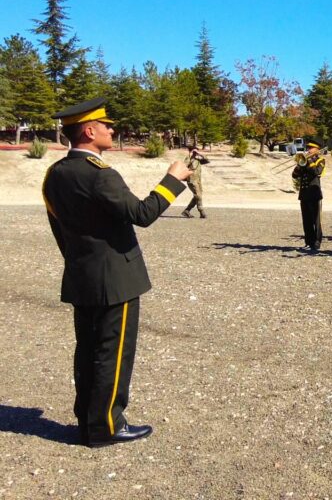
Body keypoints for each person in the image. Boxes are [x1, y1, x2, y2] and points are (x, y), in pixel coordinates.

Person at [42, 97, 192, 447]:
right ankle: (107, 425)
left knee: (88, 350)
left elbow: (59, 228)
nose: (112, 130)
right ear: (89, 130)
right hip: (116, 279)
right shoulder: (100, 175)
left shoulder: (56, 174)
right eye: (107, 125)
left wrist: (79, 262)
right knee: (113, 352)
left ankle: (88, 421)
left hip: (83, 275)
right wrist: (172, 180)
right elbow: (142, 213)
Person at [291, 139, 328, 251]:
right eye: (308, 148)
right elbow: (295, 175)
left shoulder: (320, 160)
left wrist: (309, 161)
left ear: (317, 150)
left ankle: (317, 242)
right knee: (306, 220)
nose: (308, 150)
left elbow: (317, 172)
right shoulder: (304, 161)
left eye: (311, 148)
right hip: (304, 194)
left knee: (316, 220)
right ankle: (308, 241)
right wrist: (299, 165)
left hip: (314, 194)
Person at [181, 146, 209, 219]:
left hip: (198, 180)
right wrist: (190, 155)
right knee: (198, 196)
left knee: (197, 196)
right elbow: (184, 166)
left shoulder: (198, 159)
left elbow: (207, 160)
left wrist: (200, 154)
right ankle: (201, 211)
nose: (195, 152)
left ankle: (187, 211)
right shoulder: (188, 158)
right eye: (194, 151)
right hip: (191, 180)